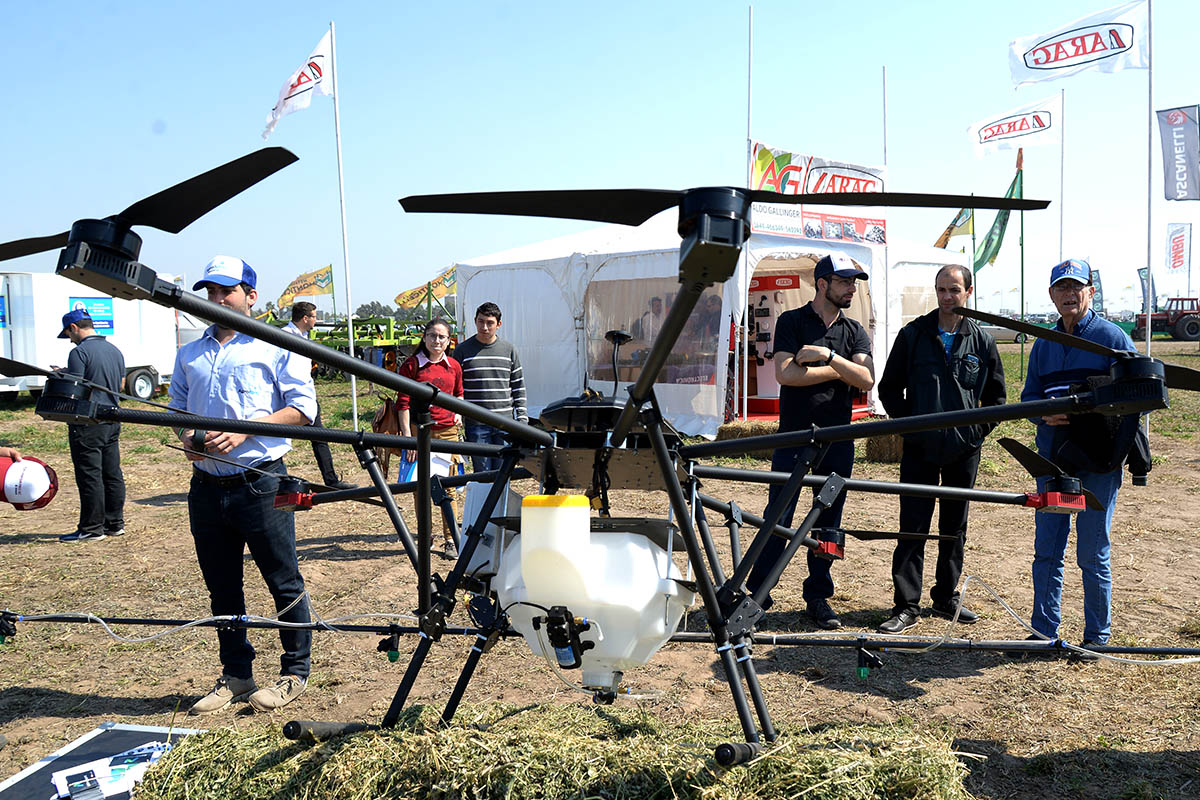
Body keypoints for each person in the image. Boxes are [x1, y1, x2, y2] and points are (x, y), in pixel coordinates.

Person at [170, 255, 318, 715]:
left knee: (282, 577)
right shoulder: (190, 353)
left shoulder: (276, 345)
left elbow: (303, 409)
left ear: (251, 296)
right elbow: (178, 409)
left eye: (226, 291)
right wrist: (190, 439)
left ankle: (295, 671)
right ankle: (236, 674)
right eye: (210, 293)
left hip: (260, 482)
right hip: (207, 487)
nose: (216, 300)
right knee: (222, 585)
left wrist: (247, 428)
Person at [1020, 258, 1147, 658]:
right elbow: (1028, 398)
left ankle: (1097, 638)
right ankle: (1043, 632)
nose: (1069, 294)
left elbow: (1140, 396)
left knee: (1092, 551)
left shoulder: (1111, 338)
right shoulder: (1042, 344)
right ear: (1052, 295)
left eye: (1077, 287)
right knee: (1048, 549)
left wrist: (1090, 416)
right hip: (1053, 460)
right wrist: (1044, 412)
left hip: (1097, 463)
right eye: (1061, 288)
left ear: (1091, 292)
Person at [746, 253, 874, 629]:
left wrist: (826, 356)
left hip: (838, 441)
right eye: (845, 281)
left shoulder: (854, 331)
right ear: (823, 284)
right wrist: (838, 370)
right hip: (795, 437)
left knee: (829, 522)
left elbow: (866, 380)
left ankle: (817, 597)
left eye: (854, 282)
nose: (852, 288)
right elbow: (786, 375)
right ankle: (757, 597)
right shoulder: (790, 320)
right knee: (778, 519)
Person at [876, 265, 1006, 634]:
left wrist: (975, 432)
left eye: (954, 290)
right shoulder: (913, 335)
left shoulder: (982, 340)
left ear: (969, 291)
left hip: (963, 451)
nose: (947, 297)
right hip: (920, 450)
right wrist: (910, 428)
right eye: (941, 290)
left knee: (954, 526)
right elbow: (888, 390)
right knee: (912, 526)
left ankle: (946, 596)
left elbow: (997, 398)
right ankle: (906, 604)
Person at [396, 317, 465, 554]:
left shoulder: (454, 366)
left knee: (448, 487)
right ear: (424, 337)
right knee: (421, 488)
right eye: (432, 336)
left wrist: (458, 413)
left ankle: (451, 539)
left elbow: (458, 394)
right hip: (419, 432)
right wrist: (408, 438)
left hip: (447, 433)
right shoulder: (411, 365)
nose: (437, 341)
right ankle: (426, 537)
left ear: (449, 341)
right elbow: (402, 403)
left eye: (442, 337)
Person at [58, 309, 126, 543]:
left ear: (74, 328)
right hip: (112, 419)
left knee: (90, 475)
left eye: (68, 333)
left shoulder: (79, 352)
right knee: (112, 473)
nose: (69, 339)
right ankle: (114, 524)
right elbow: (121, 382)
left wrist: (61, 376)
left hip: (87, 422)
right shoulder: (114, 350)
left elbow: (75, 388)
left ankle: (91, 528)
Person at [283, 302, 355, 489]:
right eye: (314, 316)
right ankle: (273, 480)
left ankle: (331, 481)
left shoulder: (304, 337)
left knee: (320, 438)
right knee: (275, 438)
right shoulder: (283, 337)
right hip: (285, 398)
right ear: (305, 318)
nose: (317, 320)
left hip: (306, 397)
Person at [453, 302, 527, 472]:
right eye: (480, 321)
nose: (484, 327)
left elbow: (518, 386)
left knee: (504, 473)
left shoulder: (509, 350)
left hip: (505, 423)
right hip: (477, 423)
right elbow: (456, 388)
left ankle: (503, 500)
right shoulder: (462, 351)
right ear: (475, 321)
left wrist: (522, 419)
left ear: (498, 324)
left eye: (490, 323)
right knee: (483, 474)